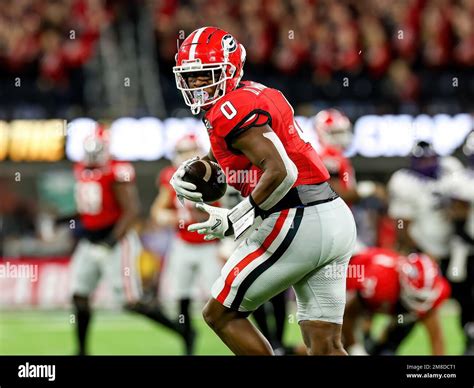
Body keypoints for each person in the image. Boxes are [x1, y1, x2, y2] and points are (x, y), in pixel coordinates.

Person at [170, 27, 357, 355]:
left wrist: (235, 219)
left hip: (298, 217)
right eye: (191, 76)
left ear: (229, 72)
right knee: (326, 346)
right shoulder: (252, 95)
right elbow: (228, 159)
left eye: (204, 75)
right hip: (333, 215)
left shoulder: (229, 109)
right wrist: (191, 170)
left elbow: (282, 170)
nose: (197, 84)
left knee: (220, 315)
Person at [70, 126, 188, 355]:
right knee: (79, 296)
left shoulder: (117, 170)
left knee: (131, 302)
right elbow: (91, 210)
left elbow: (131, 209)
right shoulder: (81, 170)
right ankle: (82, 350)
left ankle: (180, 330)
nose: (93, 156)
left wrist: (110, 241)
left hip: (117, 241)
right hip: (90, 242)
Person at [151, 133, 221, 355]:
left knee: (221, 299)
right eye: (182, 151)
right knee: (181, 295)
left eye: (191, 150)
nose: (187, 156)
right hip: (183, 243)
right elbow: (157, 211)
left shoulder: (215, 173)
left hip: (211, 244)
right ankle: (188, 346)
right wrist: (175, 218)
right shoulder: (171, 176)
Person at [343, 247, 451, 355]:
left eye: (424, 299)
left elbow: (436, 340)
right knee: (336, 341)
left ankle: (382, 348)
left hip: (388, 300)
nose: (420, 304)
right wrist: (355, 348)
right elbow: (347, 315)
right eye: (417, 298)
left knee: (387, 351)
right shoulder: (381, 281)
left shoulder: (436, 292)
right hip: (350, 274)